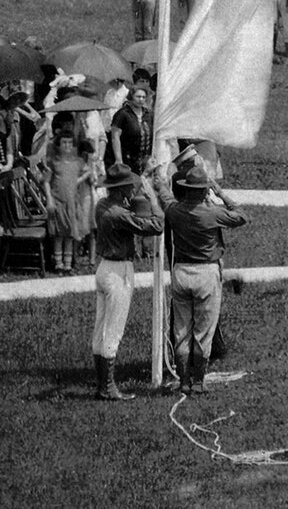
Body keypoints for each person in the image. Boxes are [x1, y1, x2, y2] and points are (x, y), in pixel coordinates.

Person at [160, 163, 249, 395]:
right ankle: (198, 381)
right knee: (203, 331)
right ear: (203, 191)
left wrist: (157, 182)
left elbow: (165, 196)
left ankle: (183, 381)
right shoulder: (212, 212)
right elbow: (241, 215)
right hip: (206, 272)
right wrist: (221, 193)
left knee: (181, 330)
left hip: (181, 271)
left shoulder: (175, 211)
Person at [89, 163, 164, 401]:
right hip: (118, 271)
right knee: (113, 330)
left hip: (104, 268)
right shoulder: (119, 214)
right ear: (122, 190)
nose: (134, 189)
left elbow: (129, 206)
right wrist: (152, 196)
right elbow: (156, 225)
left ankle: (103, 385)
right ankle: (108, 387)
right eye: (130, 187)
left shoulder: (103, 205)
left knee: (101, 328)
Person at [43, 131, 94, 275]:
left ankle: (67, 266)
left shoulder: (77, 162)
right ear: (58, 145)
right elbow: (46, 182)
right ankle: (58, 265)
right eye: (64, 142)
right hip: (58, 202)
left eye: (70, 143)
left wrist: (79, 180)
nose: (67, 146)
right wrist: (49, 199)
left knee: (70, 235)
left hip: (72, 202)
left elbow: (88, 171)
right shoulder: (54, 162)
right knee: (59, 234)